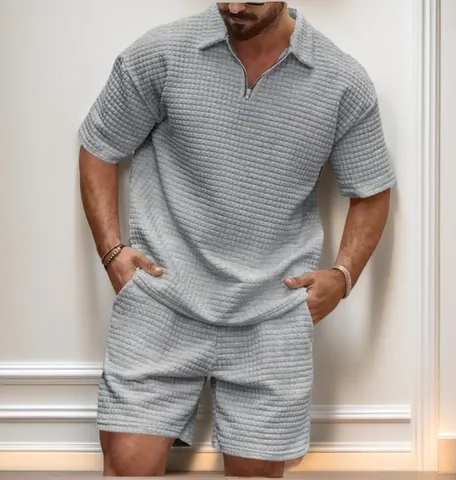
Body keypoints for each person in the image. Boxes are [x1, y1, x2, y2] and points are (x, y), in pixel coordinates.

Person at [78, 1, 396, 477]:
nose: (235, 6)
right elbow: (99, 145)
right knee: (127, 467)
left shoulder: (342, 81)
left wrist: (343, 275)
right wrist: (112, 252)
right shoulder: (161, 53)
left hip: (272, 313)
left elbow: (371, 191)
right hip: (161, 300)